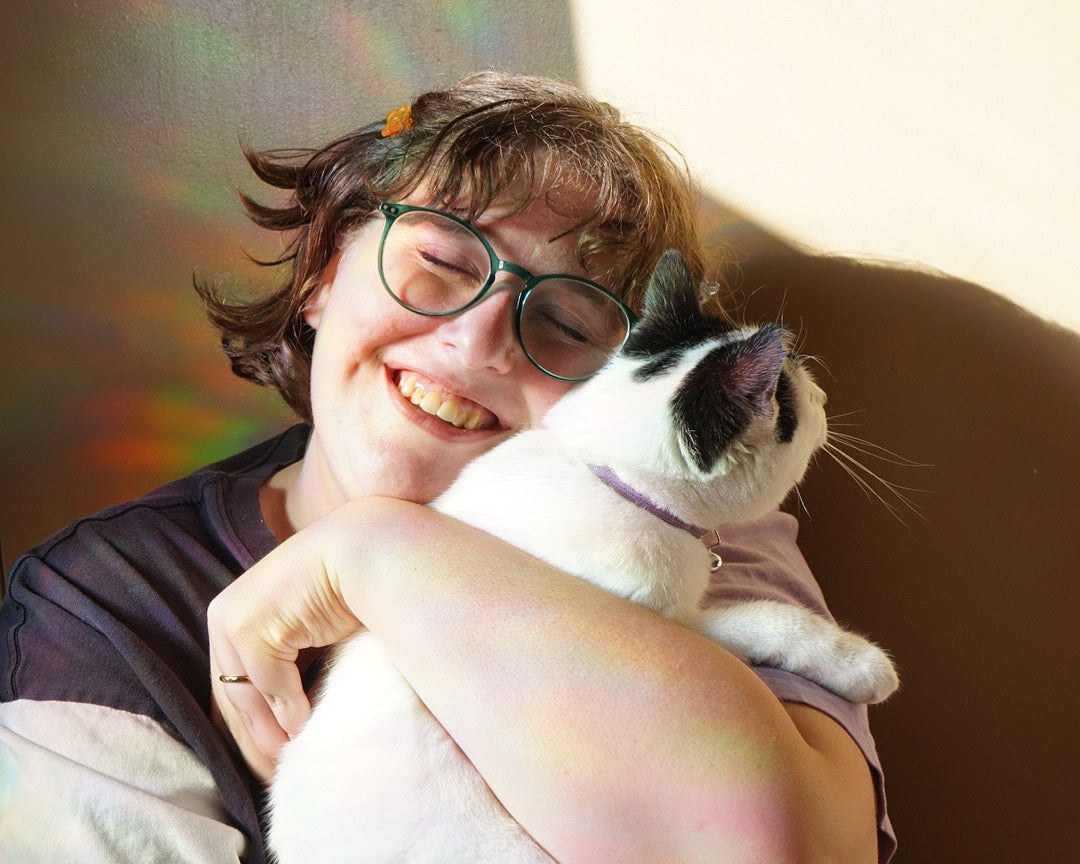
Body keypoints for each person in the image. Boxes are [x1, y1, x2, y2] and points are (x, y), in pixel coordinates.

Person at [0, 71, 895, 863]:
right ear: (322, 269)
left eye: (568, 324)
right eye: (438, 262)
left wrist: (376, 552)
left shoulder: (697, 517)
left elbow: (793, 849)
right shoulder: (106, 604)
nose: (476, 342)